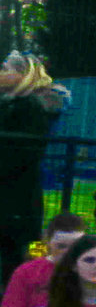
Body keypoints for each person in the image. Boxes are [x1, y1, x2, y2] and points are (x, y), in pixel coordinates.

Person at [0, 54, 69, 275]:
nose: (1, 73)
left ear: (24, 74)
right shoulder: (8, 103)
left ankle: (32, 285)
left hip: (18, 194)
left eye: (6, 68)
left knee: (23, 249)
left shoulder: (29, 107)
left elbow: (24, 153)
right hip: (13, 191)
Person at [4, 212, 87, 307]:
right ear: (47, 242)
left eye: (75, 247)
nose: (68, 252)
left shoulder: (93, 271)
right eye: (61, 246)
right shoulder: (27, 272)